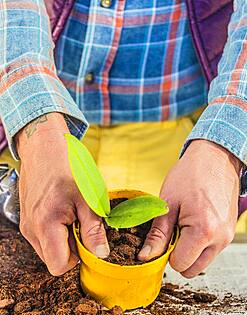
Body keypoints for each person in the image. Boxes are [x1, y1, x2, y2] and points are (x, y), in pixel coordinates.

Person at [0, 0, 246, 278]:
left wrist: (225, 143)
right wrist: (36, 126)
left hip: (183, 142)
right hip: (30, 125)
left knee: (195, 246)